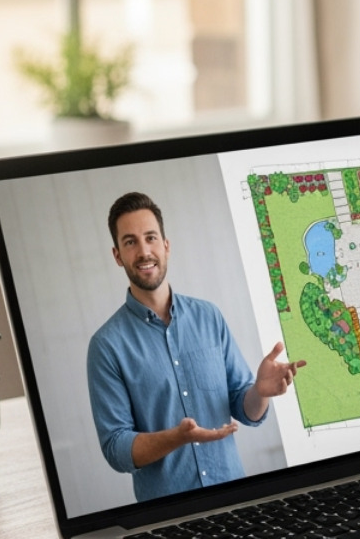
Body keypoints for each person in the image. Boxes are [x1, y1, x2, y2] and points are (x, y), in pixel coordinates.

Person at [87, 191, 304, 503]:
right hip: (168, 515)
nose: (144, 250)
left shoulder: (209, 316)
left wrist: (260, 391)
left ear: (166, 245)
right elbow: (116, 448)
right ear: (117, 255)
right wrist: (177, 438)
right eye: (130, 242)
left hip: (235, 499)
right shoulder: (106, 346)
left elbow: (245, 408)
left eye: (150, 237)